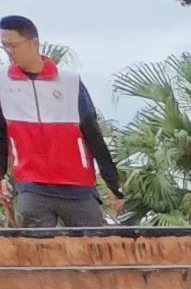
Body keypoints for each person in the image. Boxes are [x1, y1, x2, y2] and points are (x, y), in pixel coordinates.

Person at [2, 20, 125, 230]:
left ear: (33, 43)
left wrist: (113, 182)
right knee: (40, 257)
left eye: (13, 45)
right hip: (31, 187)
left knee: (93, 252)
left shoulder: (70, 82)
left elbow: (93, 134)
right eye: (4, 45)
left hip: (79, 189)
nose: (8, 51)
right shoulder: (3, 84)